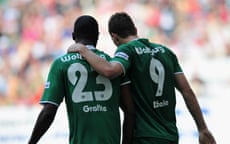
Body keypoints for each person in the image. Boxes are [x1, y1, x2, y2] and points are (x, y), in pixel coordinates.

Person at [68, 12, 216, 144]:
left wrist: (83, 50)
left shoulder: (127, 50)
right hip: (170, 137)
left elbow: (109, 70)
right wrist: (202, 128)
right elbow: (187, 92)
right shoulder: (166, 52)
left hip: (144, 136)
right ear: (135, 30)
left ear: (115, 38)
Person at [28, 15, 135, 144]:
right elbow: (129, 110)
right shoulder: (113, 64)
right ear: (97, 36)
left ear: (73, 36)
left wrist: (31, 142)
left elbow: (48, 112)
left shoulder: (61, 64)